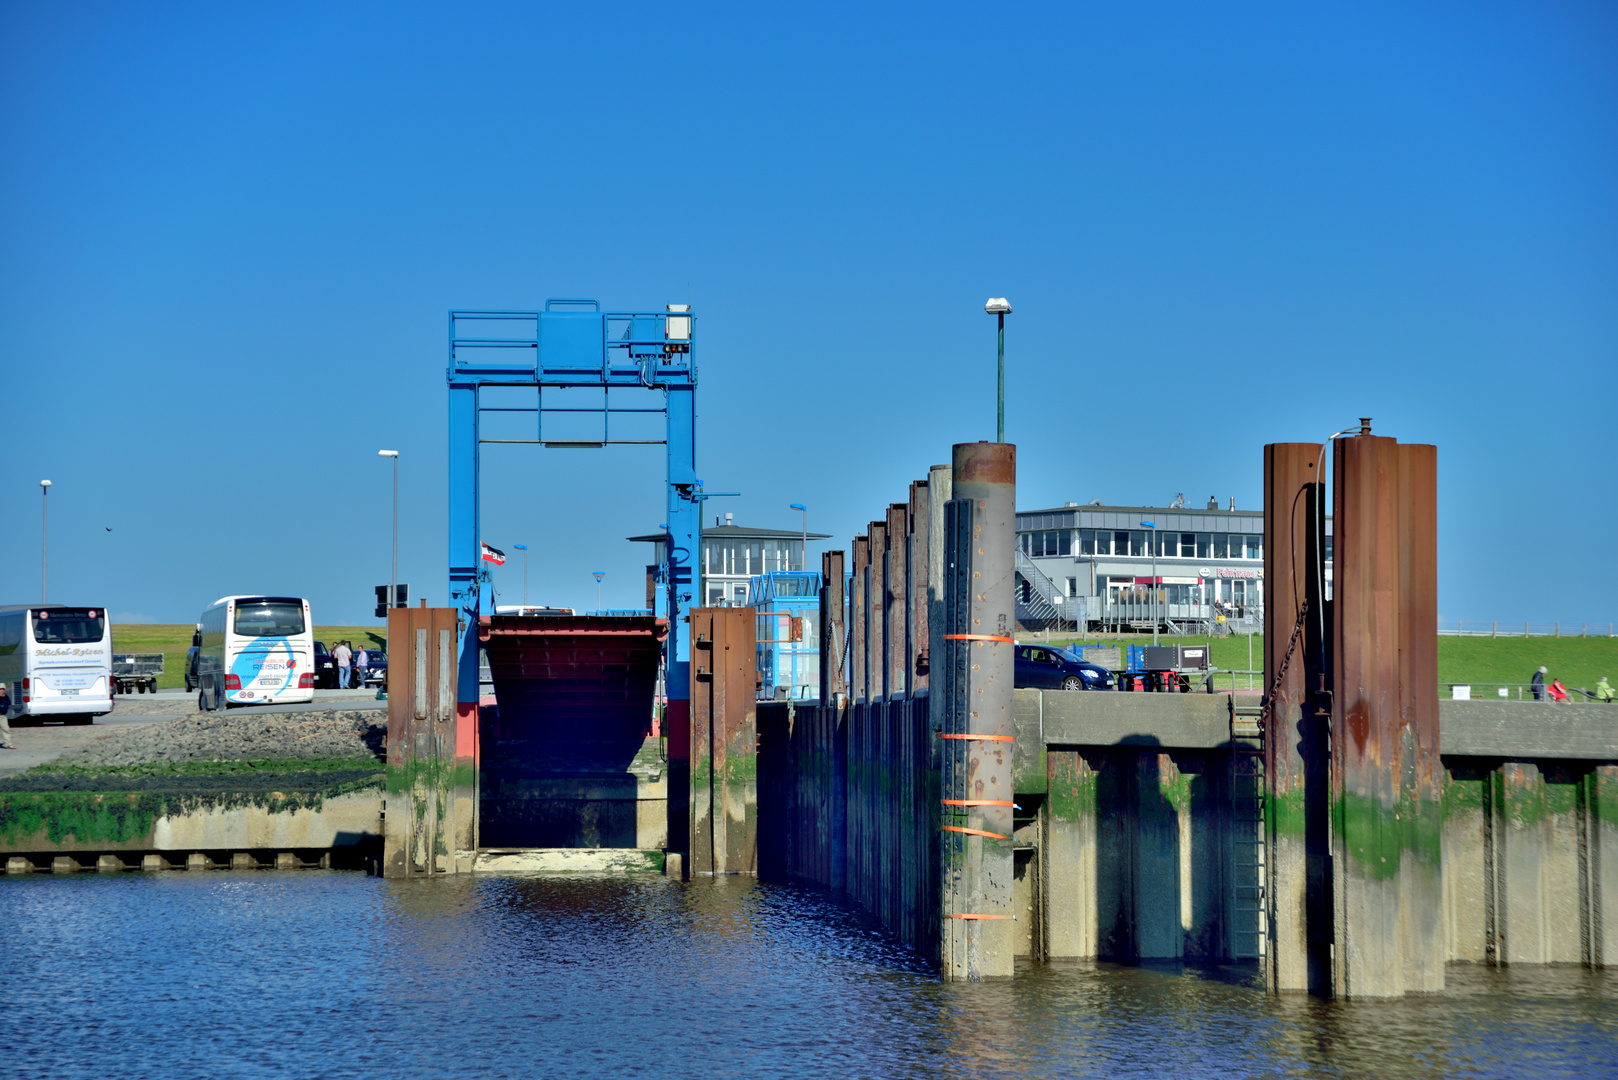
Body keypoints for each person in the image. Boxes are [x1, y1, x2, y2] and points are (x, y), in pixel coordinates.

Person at [0, 682, 14, 750]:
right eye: (0, 689)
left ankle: (8, 744)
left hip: (2, 716)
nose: (2, 690)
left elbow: (8, 703)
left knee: (6, 729)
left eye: (3, 689)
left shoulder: (6, 696)